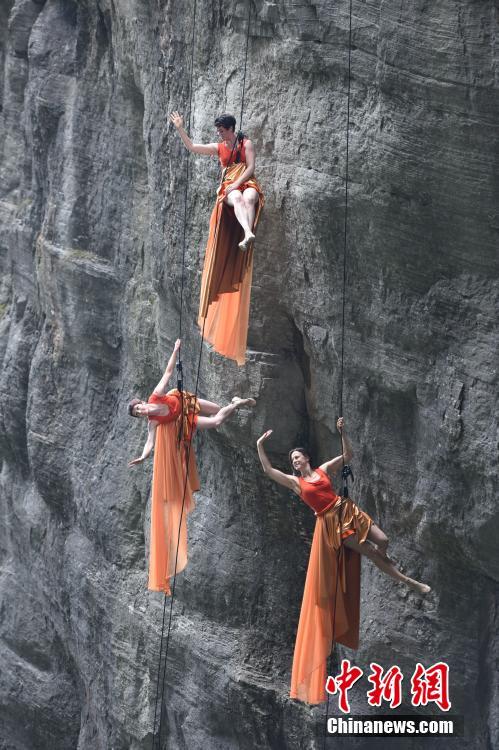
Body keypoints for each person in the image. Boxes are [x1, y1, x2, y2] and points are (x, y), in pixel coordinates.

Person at [256, 418, 431, 704]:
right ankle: (409, 581)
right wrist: (260, 445)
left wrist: (343, 432)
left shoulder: (323, 470)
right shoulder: (297, 483)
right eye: (293, 460)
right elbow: (268, 470)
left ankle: (387, 561)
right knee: (370, 552)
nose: (295, 462)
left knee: (383, 541)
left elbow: (348, 455)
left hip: (346, 509)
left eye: (298, 457)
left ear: (307, 458)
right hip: (331, 524)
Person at [129, 339, 255, 594]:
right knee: (217, 421)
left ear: (141, 403)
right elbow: (150, 442)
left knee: (217, 409)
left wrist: (176, 350)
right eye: (137, 414)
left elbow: (167, 373)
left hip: (185, 403)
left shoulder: (155, 396)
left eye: (138, 408)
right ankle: (237, 404)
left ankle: (234, 402)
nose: (141, 412)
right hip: (184, 421)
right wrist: (142, 457)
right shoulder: (152, 422)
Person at [170, 111, 264, 365]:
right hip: (230, 188)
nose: (219, 134)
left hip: (246, 182)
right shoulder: (219, 148)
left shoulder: (246, 144)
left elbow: (251, 168)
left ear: (231, 128)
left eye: (222, 130)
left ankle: (248, 231)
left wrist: (238, 182)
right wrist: (180, 128)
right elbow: (192, 147)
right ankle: (247, 231)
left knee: (250, 197)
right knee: (237, 199)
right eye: (219, 131)